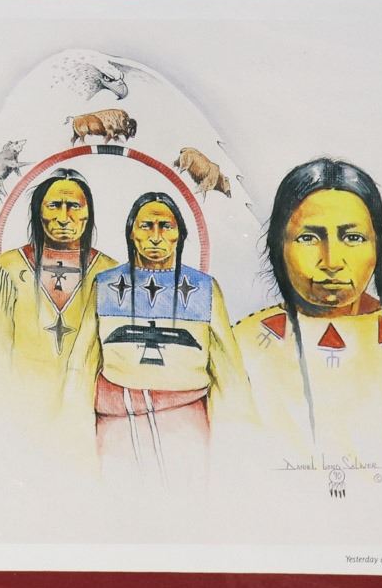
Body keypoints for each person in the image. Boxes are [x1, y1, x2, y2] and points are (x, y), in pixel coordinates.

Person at [232, 158, 382, 469]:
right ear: (279, 245)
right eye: (308, 237)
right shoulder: (243, 345)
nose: (332, 261)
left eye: (353, 238)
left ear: (378, 247)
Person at [63, 191, 255, 485]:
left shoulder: (204, 289)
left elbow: (229, 370)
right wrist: (72, 429)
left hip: (185, 425)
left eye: (165, 226)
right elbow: (83, 361)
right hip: (117, 423)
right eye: (146, 226)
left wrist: (241, 436)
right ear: (132, 233)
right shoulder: (106, 286)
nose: (155, 237)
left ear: (180, 234)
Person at [0, 169, 117, 421]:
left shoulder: (109, 272)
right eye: (54, 206)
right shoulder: (9, 267)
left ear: (88, 213)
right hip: (21, 409)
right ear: (38, 212)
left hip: (87, 410)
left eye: (74, 206)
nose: (64, 218)